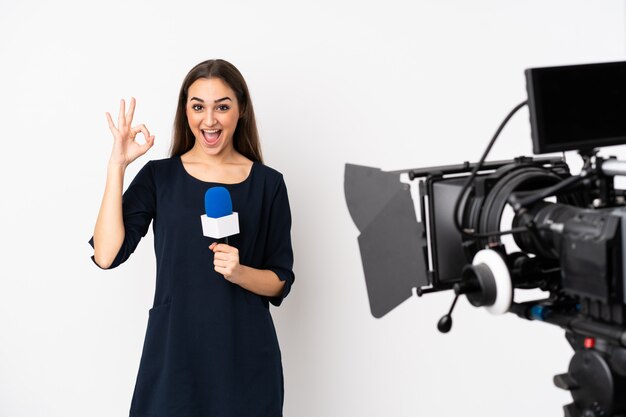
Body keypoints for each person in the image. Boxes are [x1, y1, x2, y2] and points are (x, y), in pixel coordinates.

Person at [89, 59, 295, 417]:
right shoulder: (159, 177)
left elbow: (280, 280)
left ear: (241, 110)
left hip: (245, 361)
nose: (209, 120)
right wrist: (117, 166)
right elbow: (107, 255)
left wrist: (239, 271)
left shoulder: (268, 184)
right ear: (185, 111)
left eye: (222, 107)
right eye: (198, 106)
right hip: (175, 359)